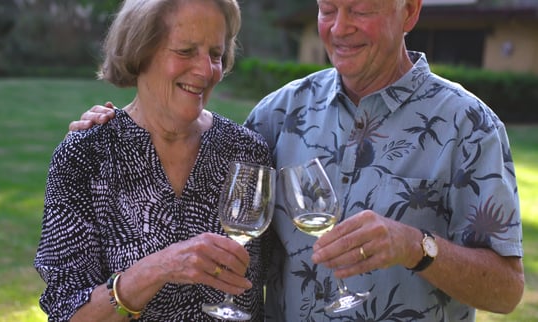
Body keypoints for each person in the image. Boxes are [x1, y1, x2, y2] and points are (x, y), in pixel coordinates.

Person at [70, 0, 525, 321]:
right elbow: (207, 154)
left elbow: (507, 290)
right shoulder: (277, 114)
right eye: (327, 10)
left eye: (361, 10)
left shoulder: (469, 125)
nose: (339, 27)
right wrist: (120, 123)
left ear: (409, 11)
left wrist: (416, 247)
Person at [34, 0, 273, 321]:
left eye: (215, 55)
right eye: (186, 51)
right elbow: (67, 313)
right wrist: (159, 268)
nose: (205, 70)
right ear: (141, 51)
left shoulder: (246, 152)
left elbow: (267, 287)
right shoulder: (87, 156)